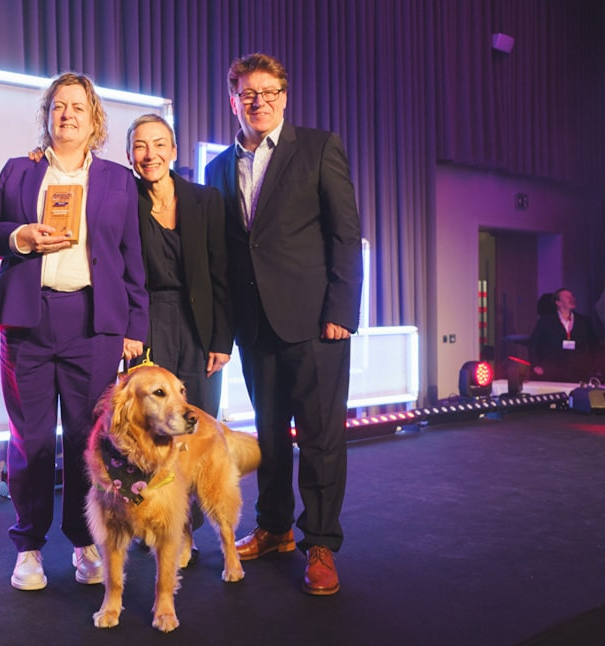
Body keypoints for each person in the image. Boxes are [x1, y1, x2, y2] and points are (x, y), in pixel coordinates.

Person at [205, 52, 363, 596]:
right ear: (234, 100)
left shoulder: (318, 148)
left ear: (285, 97)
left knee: (319, 437)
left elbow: (345, 233)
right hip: (254, 326)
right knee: (269, 436)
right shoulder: (217, 168)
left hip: (317, 323)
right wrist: (222, 332)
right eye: (250, 94)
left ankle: (320, 542)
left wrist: (342, 310)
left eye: (270, 93)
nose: (261, 102)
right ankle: (274, 528)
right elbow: (225, 257)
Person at [0, 72, 148, 591]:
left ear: (94, 117)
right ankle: (28, 547)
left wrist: (135, 327)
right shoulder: (17, 172)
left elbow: (131, 259)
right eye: (59, 106)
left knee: (87, 441)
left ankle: (84, 541)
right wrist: (19, 236)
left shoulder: (118, 180)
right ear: (47, 115)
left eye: (78, 107)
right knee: (30, 440)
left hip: (94, 326)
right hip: (28, 323)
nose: (68, 115)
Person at [126, 114, 233, 417]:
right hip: (146, 324)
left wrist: (222, 341)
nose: (150, 155)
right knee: (152, 421)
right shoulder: (123, 199)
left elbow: (221, 276)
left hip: (198, 325)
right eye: (140, 146)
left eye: (159, 145)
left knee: (199, 420)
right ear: (129, 156)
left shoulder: (205, 200)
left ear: (173, 151)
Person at [528, 288, 598, 382]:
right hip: (552, 371)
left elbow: (594, 345)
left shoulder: (584, 321)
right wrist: (536, 365)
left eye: (572, 296)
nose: (572, 299)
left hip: (578, 373)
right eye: (567, 297)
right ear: (558, 303)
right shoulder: (546, 321)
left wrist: (591, 365)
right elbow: (534, 344)